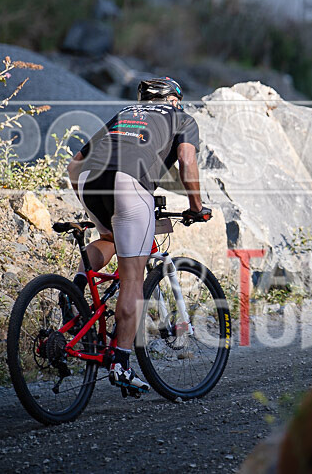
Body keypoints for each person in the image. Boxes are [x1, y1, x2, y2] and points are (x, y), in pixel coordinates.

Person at [66, 77, 210, 397]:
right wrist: (196, 206)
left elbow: (74, 165)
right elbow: (187, 160)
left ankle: (73, 292)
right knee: (133, 277)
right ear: (175, 99)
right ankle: (121, 364)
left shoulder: (124, 114)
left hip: (91, 181)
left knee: (110, 240)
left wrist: (92, 211)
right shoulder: (181, 118)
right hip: (129, 183)